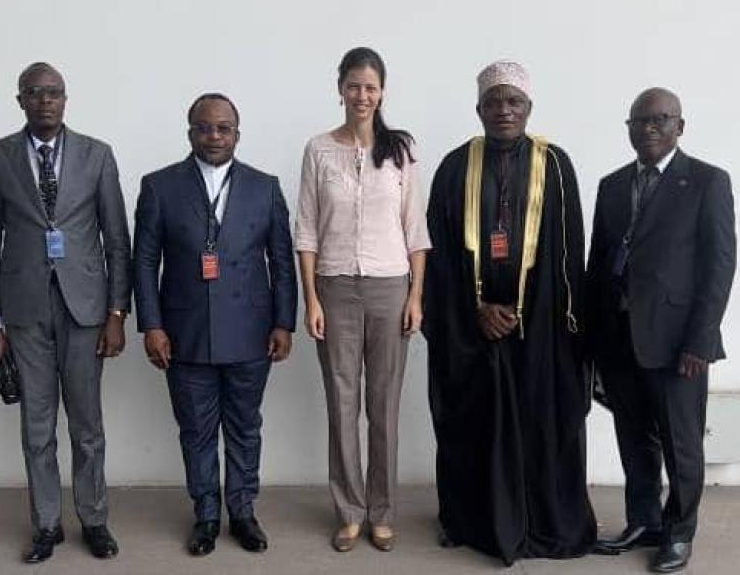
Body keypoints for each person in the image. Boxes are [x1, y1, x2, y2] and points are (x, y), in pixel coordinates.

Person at [423, 60, 596, 565]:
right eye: (494, 102)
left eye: (513, 101)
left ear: (529, 108)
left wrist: (536, 315)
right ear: (479, 109)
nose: (504, 110)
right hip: (473, 328)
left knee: (542, 422)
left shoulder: (555, 165)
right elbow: (437, 255)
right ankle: (471, 519)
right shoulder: (455, 167)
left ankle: (543, 520)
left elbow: (569, 253)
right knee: (475, 422)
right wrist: (475, 309)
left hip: (540, 328)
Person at [0, 62, 131, 563]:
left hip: (85, 311)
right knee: (36, 427)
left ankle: (95, 519)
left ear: (67, 100)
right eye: (35, 92)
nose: (45, 100)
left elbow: (117, 242)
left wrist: (116, 313)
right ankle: (45, 525)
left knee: (88, 426)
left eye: (55, 92)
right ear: (19, 99)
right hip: (23, 313)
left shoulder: (97, 155)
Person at [133, 92, 297, 556]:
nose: (214, 136)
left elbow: (281, 261)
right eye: (204, 127)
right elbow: (144, 261)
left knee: (245, 427)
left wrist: (285, 322)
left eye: (223, 128)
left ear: (237, 134)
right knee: (196, 430)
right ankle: (206, 514)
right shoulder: (159, 186)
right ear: (190, 133)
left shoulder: (264, 187)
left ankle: (242, 511)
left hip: (251, 334)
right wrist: (151, 325)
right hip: (183, 336)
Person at [586, 88, 736, 573]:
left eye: (659, 120)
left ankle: (678, 533)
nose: (648, 129)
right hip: (620, 339)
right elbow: (597, 267)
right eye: (638, 121)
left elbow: (719, 267)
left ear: (680, 127)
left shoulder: (707, 182)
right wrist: (592, 342)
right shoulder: (611, 186)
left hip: (677, 344)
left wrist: (700, 340)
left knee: (681, 443)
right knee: (634, 438)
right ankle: (644, 521)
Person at [295, 47, 431, 553]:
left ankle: (382, 511)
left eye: (371, 87)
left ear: (383, 92)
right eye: (354, 85)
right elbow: (306, 230)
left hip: (389, 288)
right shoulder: (317, 150)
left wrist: (415, 295)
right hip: (334, 288)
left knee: (384, 407)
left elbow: (415, 230)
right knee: (342, 404)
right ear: (340, 89)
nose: (362, 95)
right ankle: (349, 511)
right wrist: (311, 299)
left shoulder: (399, 150)